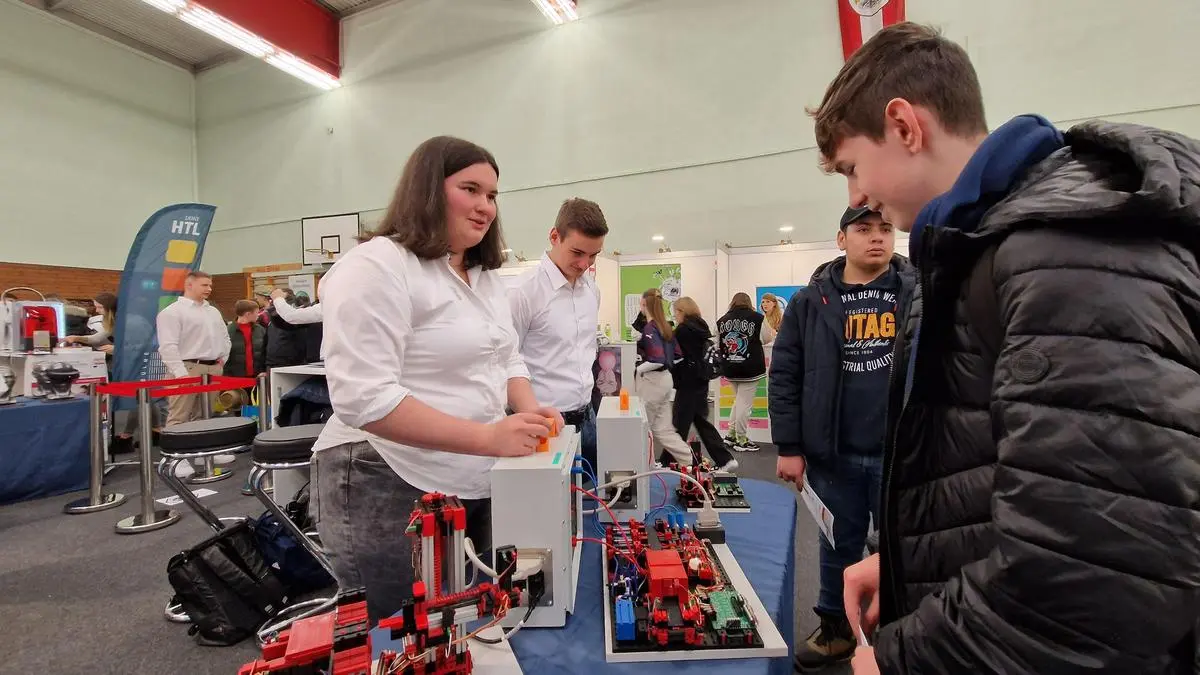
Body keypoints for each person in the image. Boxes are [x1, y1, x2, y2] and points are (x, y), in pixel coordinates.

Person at [803, 22, 1200, 675]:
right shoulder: (975, 250)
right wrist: (906, 561)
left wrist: (905, 658)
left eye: (852, 168)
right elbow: (1001, 477)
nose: (857, 197)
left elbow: (1093, 582)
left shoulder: (1068, 258)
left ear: (904, 126)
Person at [312, 135, 562, 624]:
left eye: (492, 195)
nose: (485, 206)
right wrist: (487, 437)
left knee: (466, 623)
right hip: (386, 475)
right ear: (427, 189)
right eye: (470, 189)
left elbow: (507, 356)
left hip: (470, 472)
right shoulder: (377, 265)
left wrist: (528, 409)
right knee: (402, 632)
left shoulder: (483, 277)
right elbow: (364, 399)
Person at [770, 205, 914, 671]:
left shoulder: (917, 293)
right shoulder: (810, 302)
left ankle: (902, 635)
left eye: (885, 229)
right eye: (864, 229)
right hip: (834, 454)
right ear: (841, 239)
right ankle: (835, 628)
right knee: (837, 546)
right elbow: (785, 375)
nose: (877, 237)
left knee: (907, 547)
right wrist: (789, 446)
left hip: (901, 453)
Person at [508, 197, 607, 472]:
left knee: (591, 493)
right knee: (547, 499)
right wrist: (529, 414)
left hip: (587, 416)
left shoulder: (592, 291)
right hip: (541, 423)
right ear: (554, 236)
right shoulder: (523, 293)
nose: (585, 263)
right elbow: (504, 363)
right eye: (577, 252)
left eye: (594, 255)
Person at [156, 271, 231, 427]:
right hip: (187, 368)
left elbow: (225, 338)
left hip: (213, 368)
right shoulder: (172, 312)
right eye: (204, 285)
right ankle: (175, 444)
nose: (209, 289)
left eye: (210, 285)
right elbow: (168, 346)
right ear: (189, 285)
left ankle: (200, 443)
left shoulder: (213, 311)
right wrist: (180, 373)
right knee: (179, 417)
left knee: (205, 416)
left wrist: (222, 361)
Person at [670, 297, 736, 473]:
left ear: (681, 311)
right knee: (699, 422)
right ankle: (725, 459)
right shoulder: (700, 326)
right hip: (701, 379)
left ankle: (667, 462)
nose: (675, 316)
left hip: (688, 382)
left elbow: (681, 356)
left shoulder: (683, 330)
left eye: (676, 312)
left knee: (680, 422)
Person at [632, 288, 692, 466]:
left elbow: (657, 360)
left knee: (644, 428)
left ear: (644, 304)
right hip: (666, 380)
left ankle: (646, 467)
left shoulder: (650, 328)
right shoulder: (666, 326)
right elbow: (678, 356)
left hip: (653, 383)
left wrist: (639, 370)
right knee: (664, 430)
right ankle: (689, 460)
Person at [716, 292, 775, 452]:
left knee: (739, 401)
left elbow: (717, 342)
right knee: (744, 404)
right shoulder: (758, 318)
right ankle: (741, 440)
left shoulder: (722, 320)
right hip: (750, 367)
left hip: (730, 366)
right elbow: (767, 338)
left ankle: (731, 434)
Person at [264, 288, 309, 369]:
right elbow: (266, 342)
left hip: (290, 364)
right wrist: (261, 367)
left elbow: (301, 342)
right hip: (271, 363)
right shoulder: (273, 319)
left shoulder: (297, 319)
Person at [224, 299, 266, 378]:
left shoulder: (260, 330)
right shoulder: (228, 331)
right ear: (248, 314)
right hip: (234, 377)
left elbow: (265, 352)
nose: (258, 315)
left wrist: (263, 370)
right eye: (256, 312)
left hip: (257, 376)